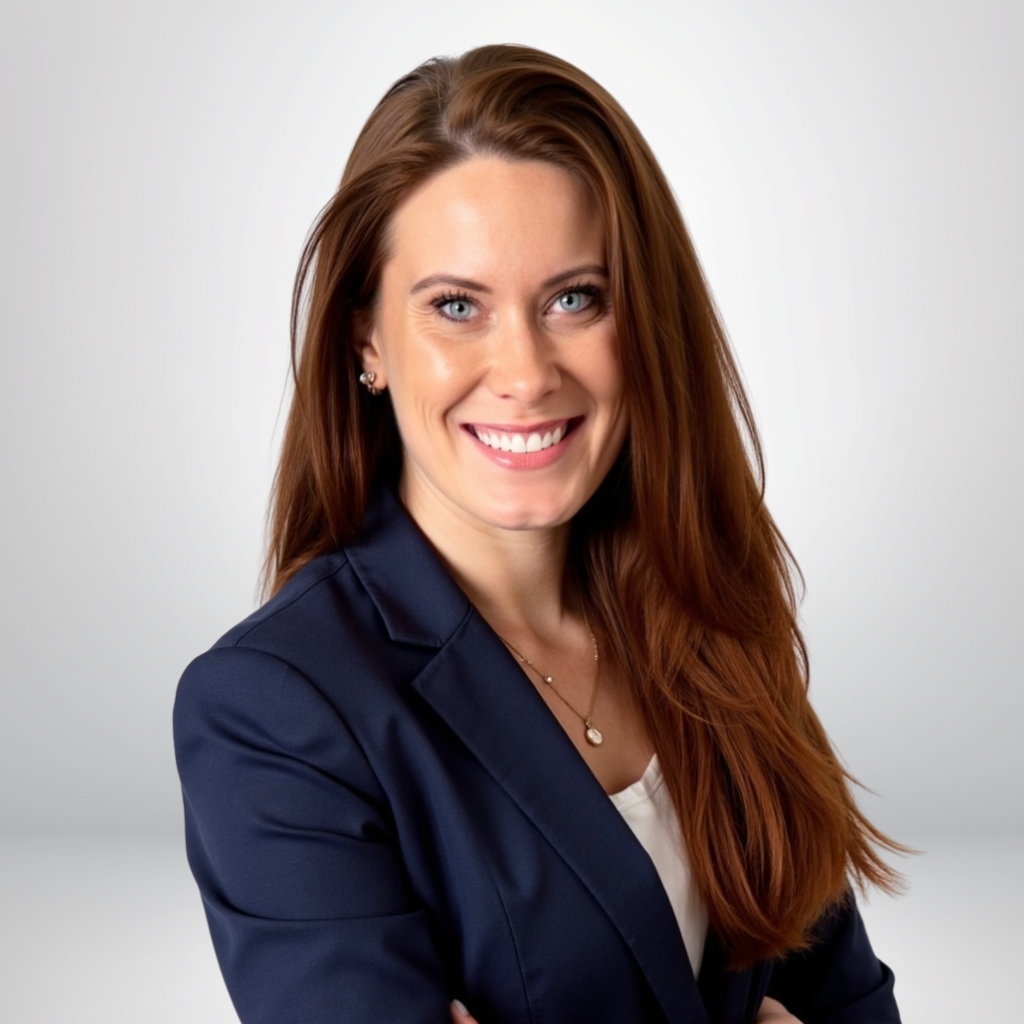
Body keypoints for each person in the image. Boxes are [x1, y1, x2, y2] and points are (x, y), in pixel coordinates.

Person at [173, 44, 904, 1024]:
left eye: (575, 298)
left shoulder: (711, 618)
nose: (523, 373)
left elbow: (852, 1001)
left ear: (643, 320)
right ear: (368, 342)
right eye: (455, 306)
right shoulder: (272, 710)